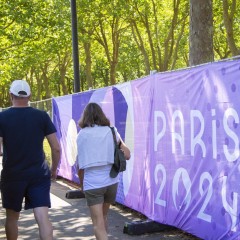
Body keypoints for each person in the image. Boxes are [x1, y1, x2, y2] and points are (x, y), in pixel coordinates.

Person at [0, 80, 61, 240]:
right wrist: (54, 169)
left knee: (12, 218)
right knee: (43, 218)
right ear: (30, 96)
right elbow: (56, 147)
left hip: (12, 175)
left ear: (10, 95)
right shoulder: (41, 116)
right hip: (39, 174)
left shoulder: (2, 117)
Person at [76, 102, 131, 240]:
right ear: (101, 115)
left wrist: (82, 185)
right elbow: (128, 154)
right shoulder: (111, 131)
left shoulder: (81, 135)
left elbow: (80, 166)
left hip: (93, 184)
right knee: (104, 217)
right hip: (112, 182)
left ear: (85, 117)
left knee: (97, 223)